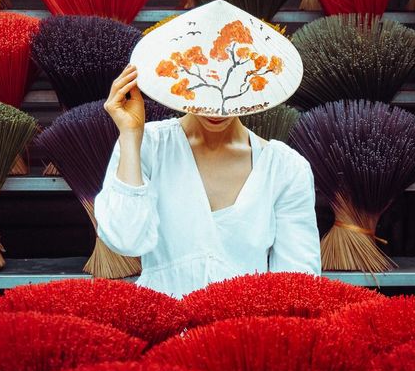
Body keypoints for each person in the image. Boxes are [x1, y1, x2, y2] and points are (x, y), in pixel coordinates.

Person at [94, 34, 322, 297]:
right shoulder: (149, 145)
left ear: (251, 79)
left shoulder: (285, 168)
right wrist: (131, 135)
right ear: (183, 77)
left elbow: (298, 284)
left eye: (231, 82)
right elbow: (125, 239)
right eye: (204, 84)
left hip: (244, 331)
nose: (215, 109)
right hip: (164, 328)